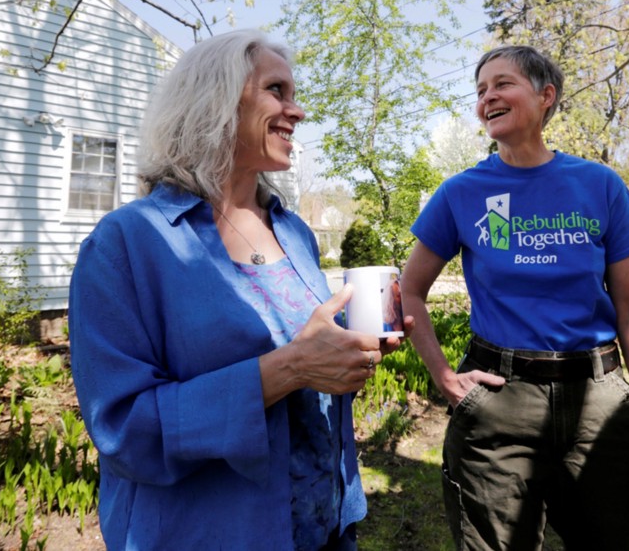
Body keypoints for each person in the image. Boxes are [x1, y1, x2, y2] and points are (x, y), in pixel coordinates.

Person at [69, 30, 411, 550]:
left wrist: (350, 349)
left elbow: (308, 349)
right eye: (277, 90)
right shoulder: (126, 244)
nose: (296, 112)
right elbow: (123, 430)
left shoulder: (293, 231)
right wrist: (291, 368)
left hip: (327, 527)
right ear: (216, 101)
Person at [400, 45, 629, 550]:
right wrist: (444, 378)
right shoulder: (462, 192)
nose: (488, 97)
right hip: (498, 404)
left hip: (599, 403)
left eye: (502, 84)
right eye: (481, 90)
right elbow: (410, 292)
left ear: (545, 95)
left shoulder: (599, 185)